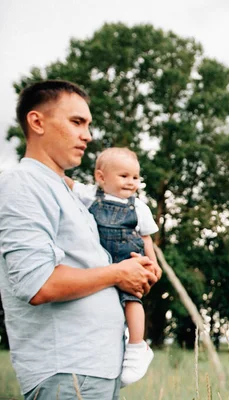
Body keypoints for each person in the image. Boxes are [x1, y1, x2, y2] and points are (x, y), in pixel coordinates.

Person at [0, 80, 161, 400]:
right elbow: (39, 283)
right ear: (37, 121)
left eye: (88, 125)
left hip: (98, 369)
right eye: (76, 122)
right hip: (67, 371)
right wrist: (119, 274)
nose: (87, 135)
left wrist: (140, 268)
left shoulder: (75, 195)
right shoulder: (22, 184)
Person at [65, 147, 158, 386]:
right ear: (101, 177)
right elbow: (67, 182)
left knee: (132, 300)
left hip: (129, 259)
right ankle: (122, 337)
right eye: (124, 176)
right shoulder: (89, 195)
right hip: (98, 261)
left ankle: (138, 346)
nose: (131, 182)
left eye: (135, 177)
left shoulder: (139, 207)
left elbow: (146, 238)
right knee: (103, 302)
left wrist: (153, 264)